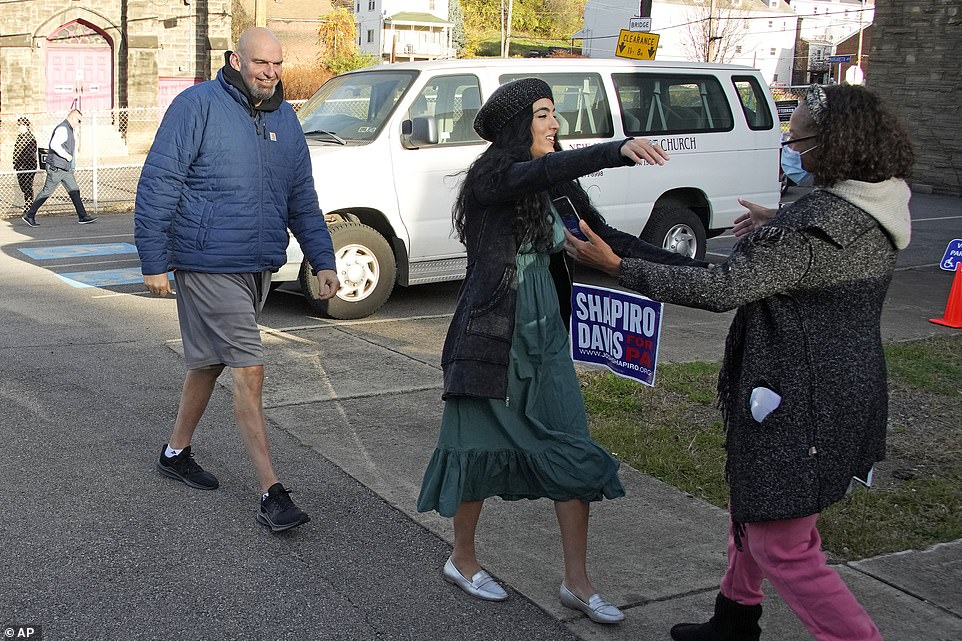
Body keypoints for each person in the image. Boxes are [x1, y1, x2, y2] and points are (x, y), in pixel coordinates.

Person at [566, 84, 914, 641]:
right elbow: (813, 257)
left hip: (803, 397)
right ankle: (735, 619)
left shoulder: (815, 226)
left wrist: (618, 267)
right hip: (836, 384)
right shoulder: (870, 207)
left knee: (782, 537)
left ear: (833, 144)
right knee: (756, 505)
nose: (790, 146)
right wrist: (779, 222)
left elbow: (726, 286)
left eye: (796, 136)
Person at [416, 78, 704, 623]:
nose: (555, 124)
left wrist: (706, 275)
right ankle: (462, 558)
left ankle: (578, 581)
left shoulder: (558, 186)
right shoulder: (494, 178)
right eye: (544, 114)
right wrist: (614, 152)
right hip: (490, 338)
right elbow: (539, 171)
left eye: (555, 114)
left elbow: (607, 240)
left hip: (545, 337)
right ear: (515, 125)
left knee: (572, 446)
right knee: (474, 449)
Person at [134, 27, 340, 533]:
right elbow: (160, 181)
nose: (269, 72)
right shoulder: (197, 105)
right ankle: (273, 492)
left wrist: (324, 258)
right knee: (249, 366)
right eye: (259, 63)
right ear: (236, 59)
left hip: (257, 264)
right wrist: (153, 259)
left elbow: (301, 197)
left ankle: (175, 451)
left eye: (277, 64)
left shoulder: (285, 117)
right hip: (207, 260)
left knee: (208, 363)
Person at [21, 109, 97, 227]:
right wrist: (66, 156)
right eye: (78, 120)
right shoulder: (63, 129)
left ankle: (83, 216)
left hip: (64, 168)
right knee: (46, 192)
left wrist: (70, 164)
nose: (79, 123)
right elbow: (54, 145)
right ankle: (29, 215)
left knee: (74, 191)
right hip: (56, 167)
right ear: (72, 118)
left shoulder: (69, 129)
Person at [13, 116, 38, 215]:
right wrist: (16, 163)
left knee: (27, 187)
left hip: (28, 166)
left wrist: (22, 164)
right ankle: (27, 205)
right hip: (20, 166)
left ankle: (29, 207)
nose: (19, 128)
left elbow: (30, 154)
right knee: (23, 187)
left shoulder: (30, 137)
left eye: (20, 125)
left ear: (26, 126)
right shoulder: (19, 137)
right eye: (18, 125)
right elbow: (16, 151)